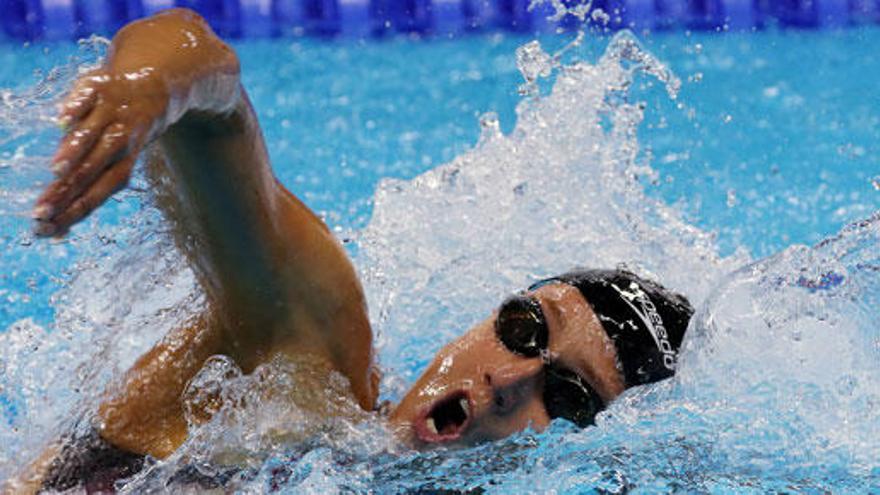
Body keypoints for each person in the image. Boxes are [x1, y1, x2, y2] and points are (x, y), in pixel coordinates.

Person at [11, 8, 694, 492]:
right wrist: (149, 88)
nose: (510, 378)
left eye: (569, 397)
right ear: (488, 314)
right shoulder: (308, 357)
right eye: (525, 327)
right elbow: (205, 74)